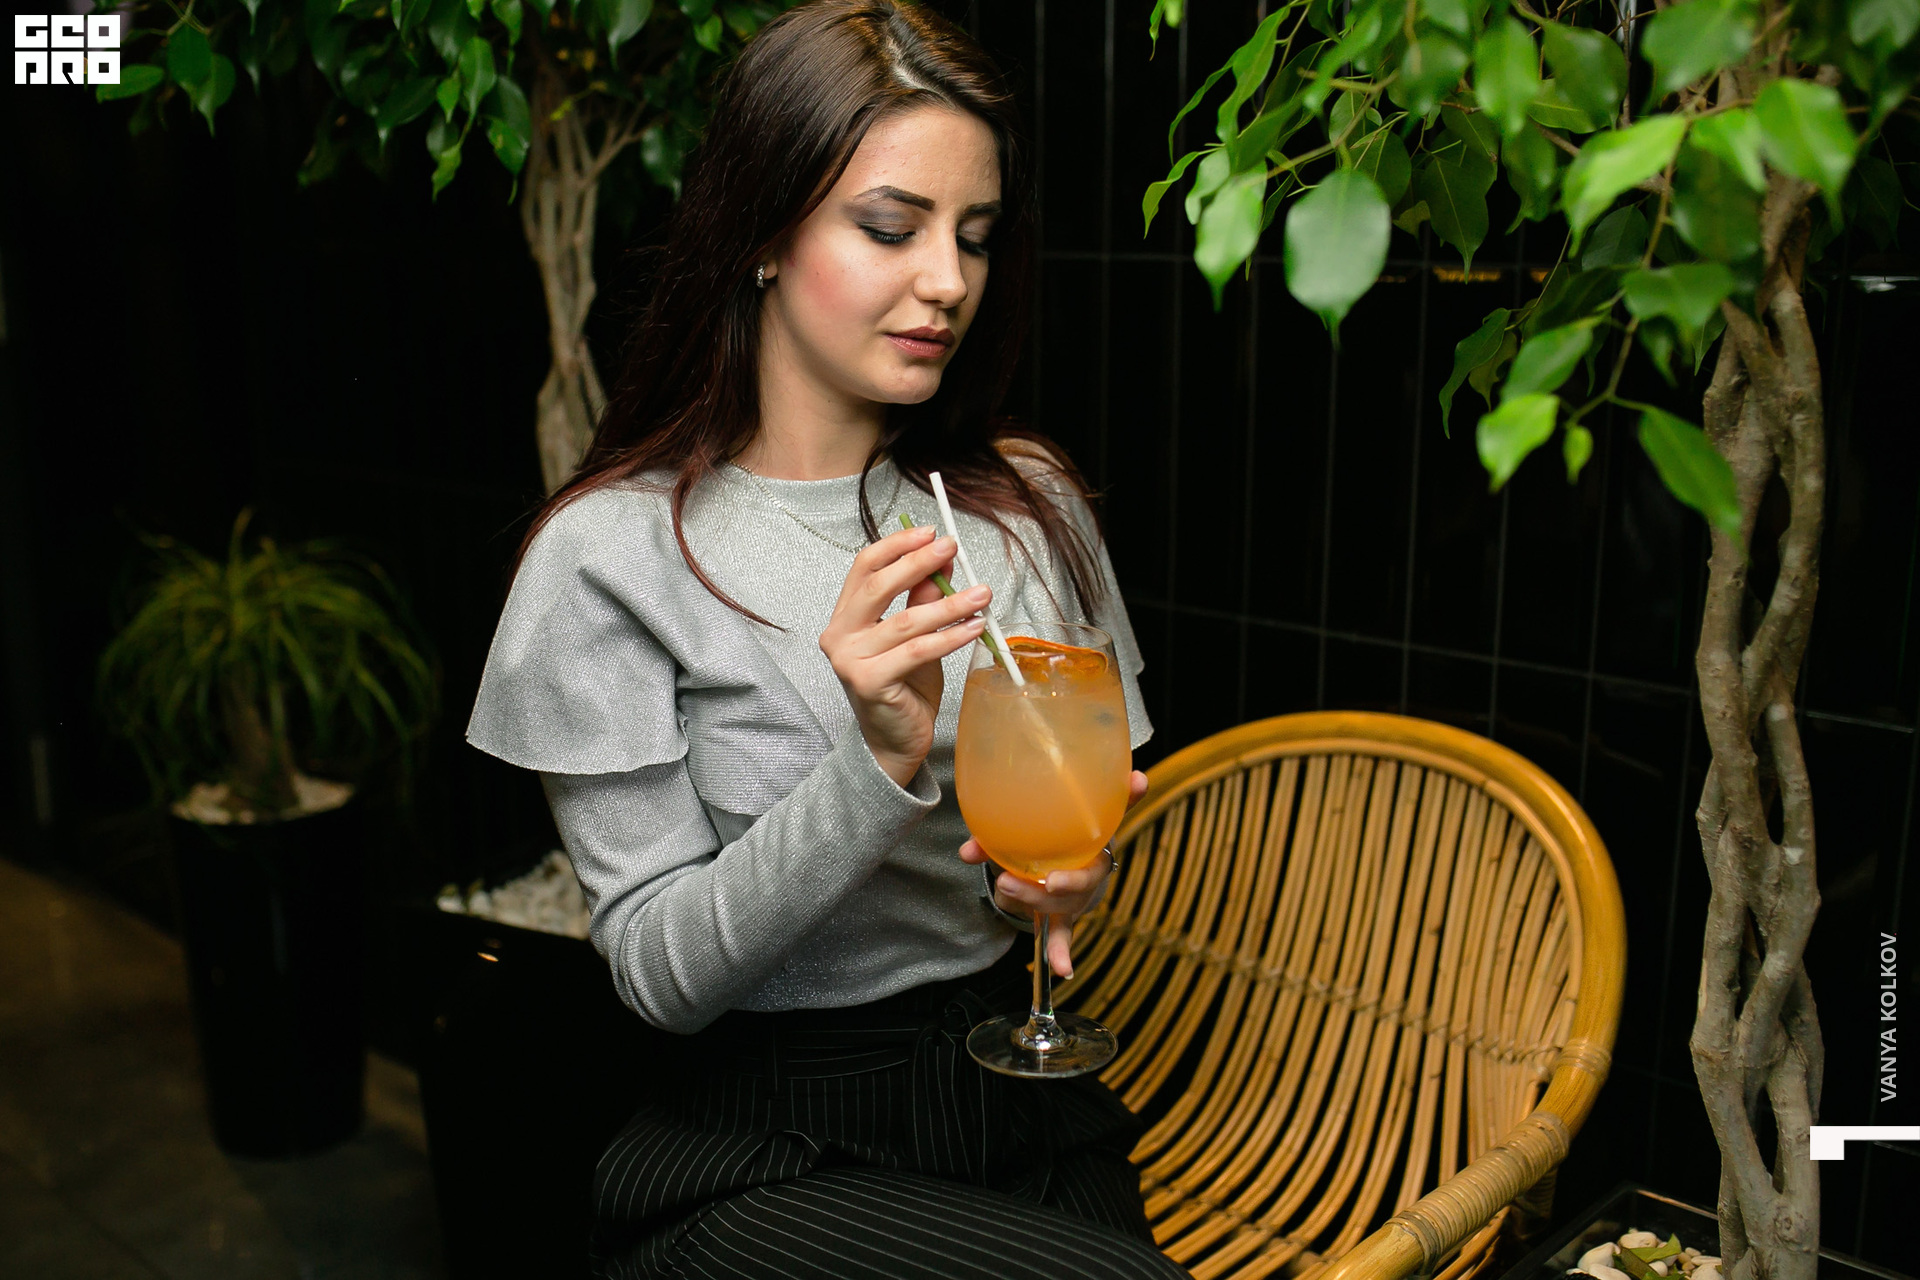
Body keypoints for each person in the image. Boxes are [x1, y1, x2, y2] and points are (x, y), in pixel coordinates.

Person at [467, 3, 1185, 1277]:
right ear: (761, 233)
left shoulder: (1024, 503)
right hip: (765, 1141)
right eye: (892, 227)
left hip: (1013, 1091)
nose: (948, 281)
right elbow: (659, 975)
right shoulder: (614, 554)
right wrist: (874, 757)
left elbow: (1071, 831)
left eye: (974, 235)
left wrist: (1063, 885)